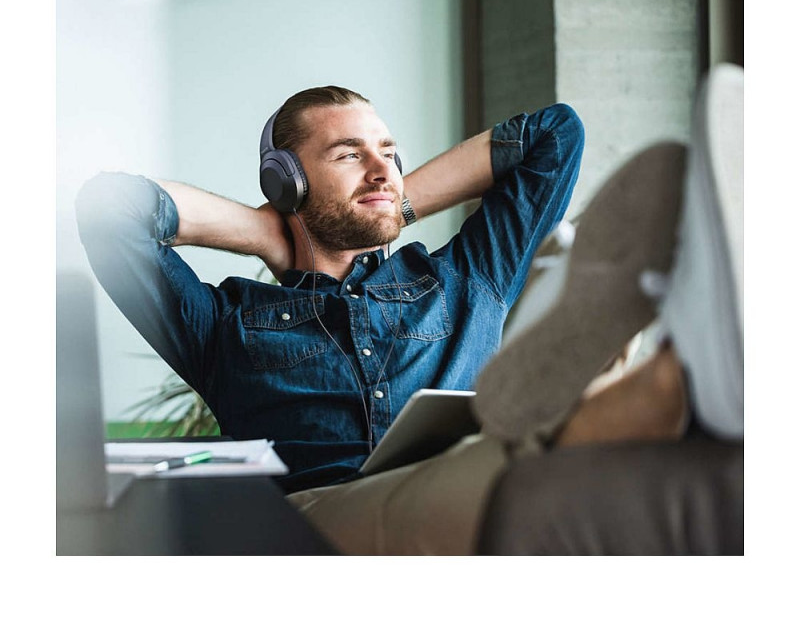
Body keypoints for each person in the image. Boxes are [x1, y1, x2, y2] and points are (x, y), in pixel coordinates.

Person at [76, 66, 744, 555]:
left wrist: (391, 203)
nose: (383, 169)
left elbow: (555, 134)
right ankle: (670, 369)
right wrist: (264, 229)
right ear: (287, 180)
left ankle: (677, 377)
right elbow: (109, 209)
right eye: (349, 154)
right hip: (316, 521)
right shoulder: (225, 324)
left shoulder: (462, 276)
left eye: (390, 154)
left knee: (698, 482)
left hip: (476, 480)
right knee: (506, 469)